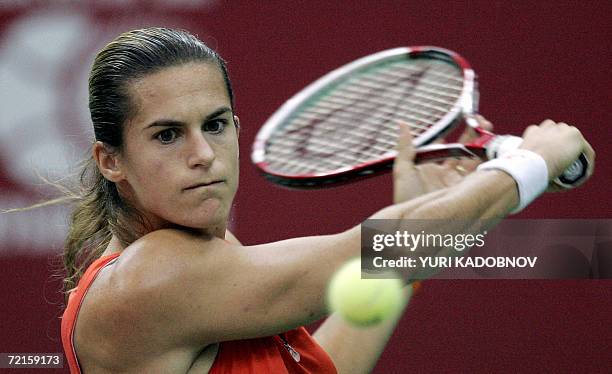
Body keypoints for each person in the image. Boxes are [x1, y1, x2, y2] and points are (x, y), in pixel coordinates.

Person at [60, 27, 594, 373]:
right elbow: (364, 255)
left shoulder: (207, 260)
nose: (203, 154)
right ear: (112, 160)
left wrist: (415, 246)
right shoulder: (154, 277)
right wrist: (530, 163)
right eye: (167, 135)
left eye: (216, 125)